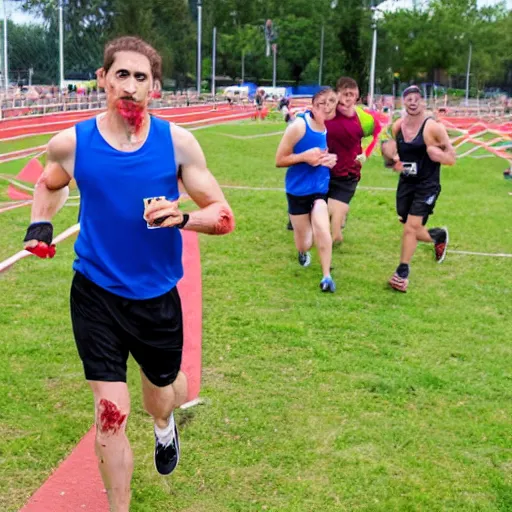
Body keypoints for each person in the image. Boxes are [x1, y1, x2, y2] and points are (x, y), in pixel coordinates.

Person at [22, 36, 235, 512]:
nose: (132, 86)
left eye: (142, 78)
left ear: (154, 88)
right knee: (111, 412)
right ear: (103, 79)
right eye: (123, 74)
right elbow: (47, 181)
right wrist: (41, 222)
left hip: (156, 297)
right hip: (95, 292)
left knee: (161, 396)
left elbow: (223, 214)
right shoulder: (72, 142)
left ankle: (166, 423)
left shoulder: (177, 143)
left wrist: (182, 217)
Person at [381, 84, 455, 292]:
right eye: (408, 98)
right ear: (403, 102)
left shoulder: (433, 127)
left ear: (423, 102)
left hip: (427, 185)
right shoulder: (397, 127)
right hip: (406, 183)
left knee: (410, 229)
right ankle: (438, 236)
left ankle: (401, 273)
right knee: (410, 227)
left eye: (417, 98)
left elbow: (451, 157)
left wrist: (438, 155)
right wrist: (392, 161)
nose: (412, 102)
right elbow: (387, 155)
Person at [275, 87, 338, 292]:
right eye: (322, 104)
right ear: (313, 106)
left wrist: (332, 159)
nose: (327, 109)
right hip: (297, 189)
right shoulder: (299, 126)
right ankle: (303, 251)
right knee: (304, 242)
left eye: (331, 103)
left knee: (322, 225)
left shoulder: (332, 128)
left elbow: (333, 154)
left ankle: (327, 276)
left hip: (319, 187)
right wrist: (305, 156)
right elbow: (280, 160)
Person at [325, 77, 382, 245]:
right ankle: (339, 216)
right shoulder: (327, 113)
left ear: (357, 96)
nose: (348, 98)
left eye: (352, 94)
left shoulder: (364, 118)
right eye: (345, 94)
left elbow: (380, 135)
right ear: (337, 94)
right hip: (325, 170)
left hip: (349, 173)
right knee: (325, 212)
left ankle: (334, 237)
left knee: (335, 234)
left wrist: (366, 153)